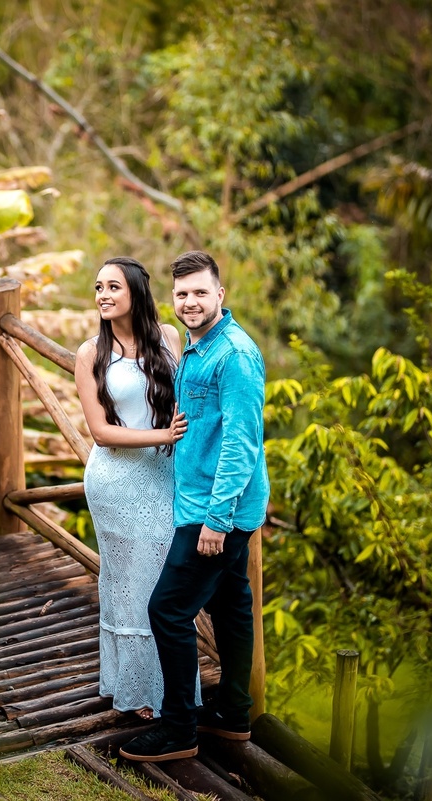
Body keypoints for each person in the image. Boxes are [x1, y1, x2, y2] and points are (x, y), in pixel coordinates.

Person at [120, 250, 270, 762]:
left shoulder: (236, 356)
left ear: (220, 296)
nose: (189, 302)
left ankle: (179, 727)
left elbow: (241, 445)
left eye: (200, 292)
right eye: (181, 294)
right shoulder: (197, 346)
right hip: (207, 505)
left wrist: (216, 521)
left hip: (216, 513)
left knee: (167, 610)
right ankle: (232, 713)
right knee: (231, 605)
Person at [74, 256, 190, 722]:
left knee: (159, 580)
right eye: (98, 287)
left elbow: (184, 400)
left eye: (112, 287)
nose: (102, 295)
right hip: (116, 482)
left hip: (165, 477)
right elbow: (100, 432)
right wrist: (163, 436)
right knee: (128, 583)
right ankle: (137, 691)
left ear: (136, 292)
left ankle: (157, 682)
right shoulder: (90, 354)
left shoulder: (168, 338)